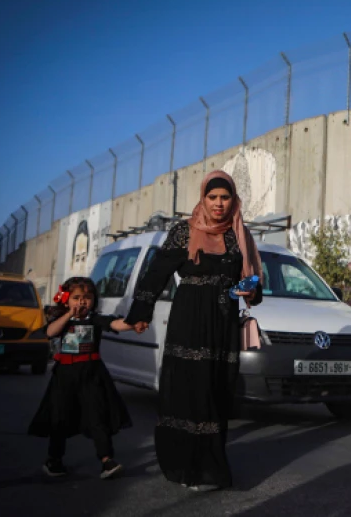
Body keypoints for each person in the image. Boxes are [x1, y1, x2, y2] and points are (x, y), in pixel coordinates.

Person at [124, 170, 263, 491]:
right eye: (212, 197)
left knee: (216, 389)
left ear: (233, 200)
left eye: (225, 197)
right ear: (203, 198)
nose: (218, 204)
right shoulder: (183, 231)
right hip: (189, 319)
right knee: (190, 389)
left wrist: (250, 290)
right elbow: (155, 274)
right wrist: (140, 314)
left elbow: (255, 283)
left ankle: (210, 464)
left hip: (223, 321)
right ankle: (186, 465)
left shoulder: (239, 235)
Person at [28, 276, 145, 479]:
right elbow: (50, 332)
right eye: (76, 297)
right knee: (59, 418)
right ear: (66, 299)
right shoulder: (62, 320)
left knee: (98, 416)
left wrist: (133, 325)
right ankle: (54, 460)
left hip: (92, 374)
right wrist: (67, 316)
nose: (82, 302)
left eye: (87, 297)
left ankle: (107, 460)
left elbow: (115, 324)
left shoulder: (95, 319)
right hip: (64, 376)